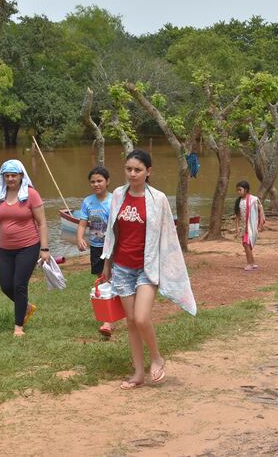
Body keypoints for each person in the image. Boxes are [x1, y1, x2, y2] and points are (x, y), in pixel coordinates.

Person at [101, 149, 197, 390]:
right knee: (131, 321)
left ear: (148, 172)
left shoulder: (158, 199)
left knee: (142, 317)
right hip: (122, 267)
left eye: (138, 170)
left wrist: (170, 267)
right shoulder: (117, 196)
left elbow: (168, 236)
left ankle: (156, 357)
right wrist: (107, 264)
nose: (132, 174)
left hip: (148, 266)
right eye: (128, 169)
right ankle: (138, 373)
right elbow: (111, 233)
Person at [0, 160, 49, 337]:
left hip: (28, 246)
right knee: (5, 285)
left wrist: (45, 249)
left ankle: (18, 327)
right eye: (7, 176)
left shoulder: (31, 195)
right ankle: (25, 307)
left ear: (21, 176)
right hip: (6, 249)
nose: (10, 179)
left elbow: (41, 223)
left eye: (14, 175)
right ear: (3, 177)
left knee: (19, 285)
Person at [77, 166, 115, 338]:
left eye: (99, 180)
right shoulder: (87, 202)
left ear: (107, 181)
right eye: (92, 181)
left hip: (114, 245)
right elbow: (83, 223)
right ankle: (108, 319)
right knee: (102, 279)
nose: (96, 184)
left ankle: (112, 318)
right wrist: (79, 238)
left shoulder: (115, 200)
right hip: (96, 246)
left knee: (114, 278)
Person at [234, 180, 265, 271]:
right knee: (246, 244)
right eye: (237, 190)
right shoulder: (238, 201)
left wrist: (261, 223)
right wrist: (237, 229)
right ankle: (252, 263)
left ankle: (250, 263)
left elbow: (261, 209)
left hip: (252, 226)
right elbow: (237, 216)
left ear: (246, 190)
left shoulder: (254, 199)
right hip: (245, 227)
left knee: (246, 244)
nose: (238, 192)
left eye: (240, 190)